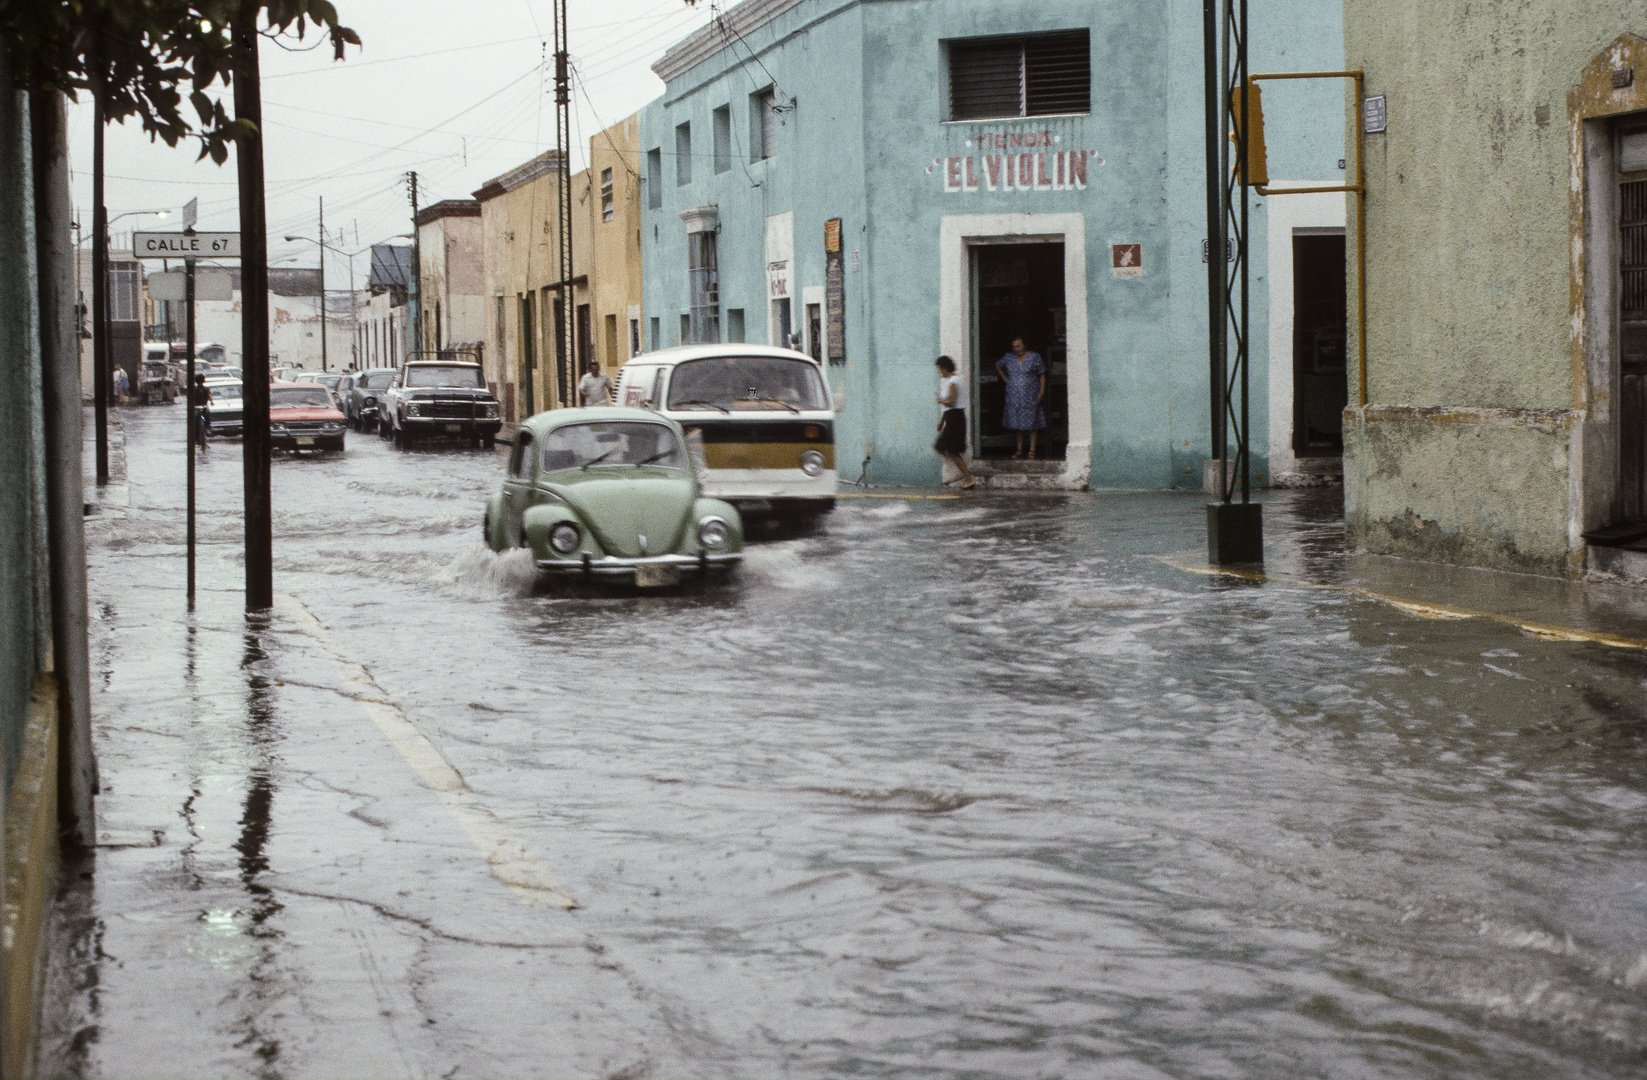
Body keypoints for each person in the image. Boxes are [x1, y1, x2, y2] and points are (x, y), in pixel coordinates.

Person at [996, 336, 1046, 459]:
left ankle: (1032, 449)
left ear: (1025, 345)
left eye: (1018, 346)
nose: (1016, 349)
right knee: (1017, 423)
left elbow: (1042, 374)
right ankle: (1019, 449)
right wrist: (1005, 378)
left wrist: (1041, 392)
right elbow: (998, 365)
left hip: (1031, 394)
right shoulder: (1009, 357)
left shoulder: (1034, 357)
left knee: (1032, 422)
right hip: (1014, 395)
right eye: (1014, 346)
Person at [933, 355, 976, 490]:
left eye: (940, 369)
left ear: (945, 368)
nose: (940, 372)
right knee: (942, 447)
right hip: (952, 417)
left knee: (950, 450)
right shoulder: (952, 381)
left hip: (955, 418)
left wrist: (940, 400)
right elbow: (948, 407)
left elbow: (951, 402)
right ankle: (963, 474)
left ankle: (968, 478)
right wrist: (941, 422)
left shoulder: (954, 381)